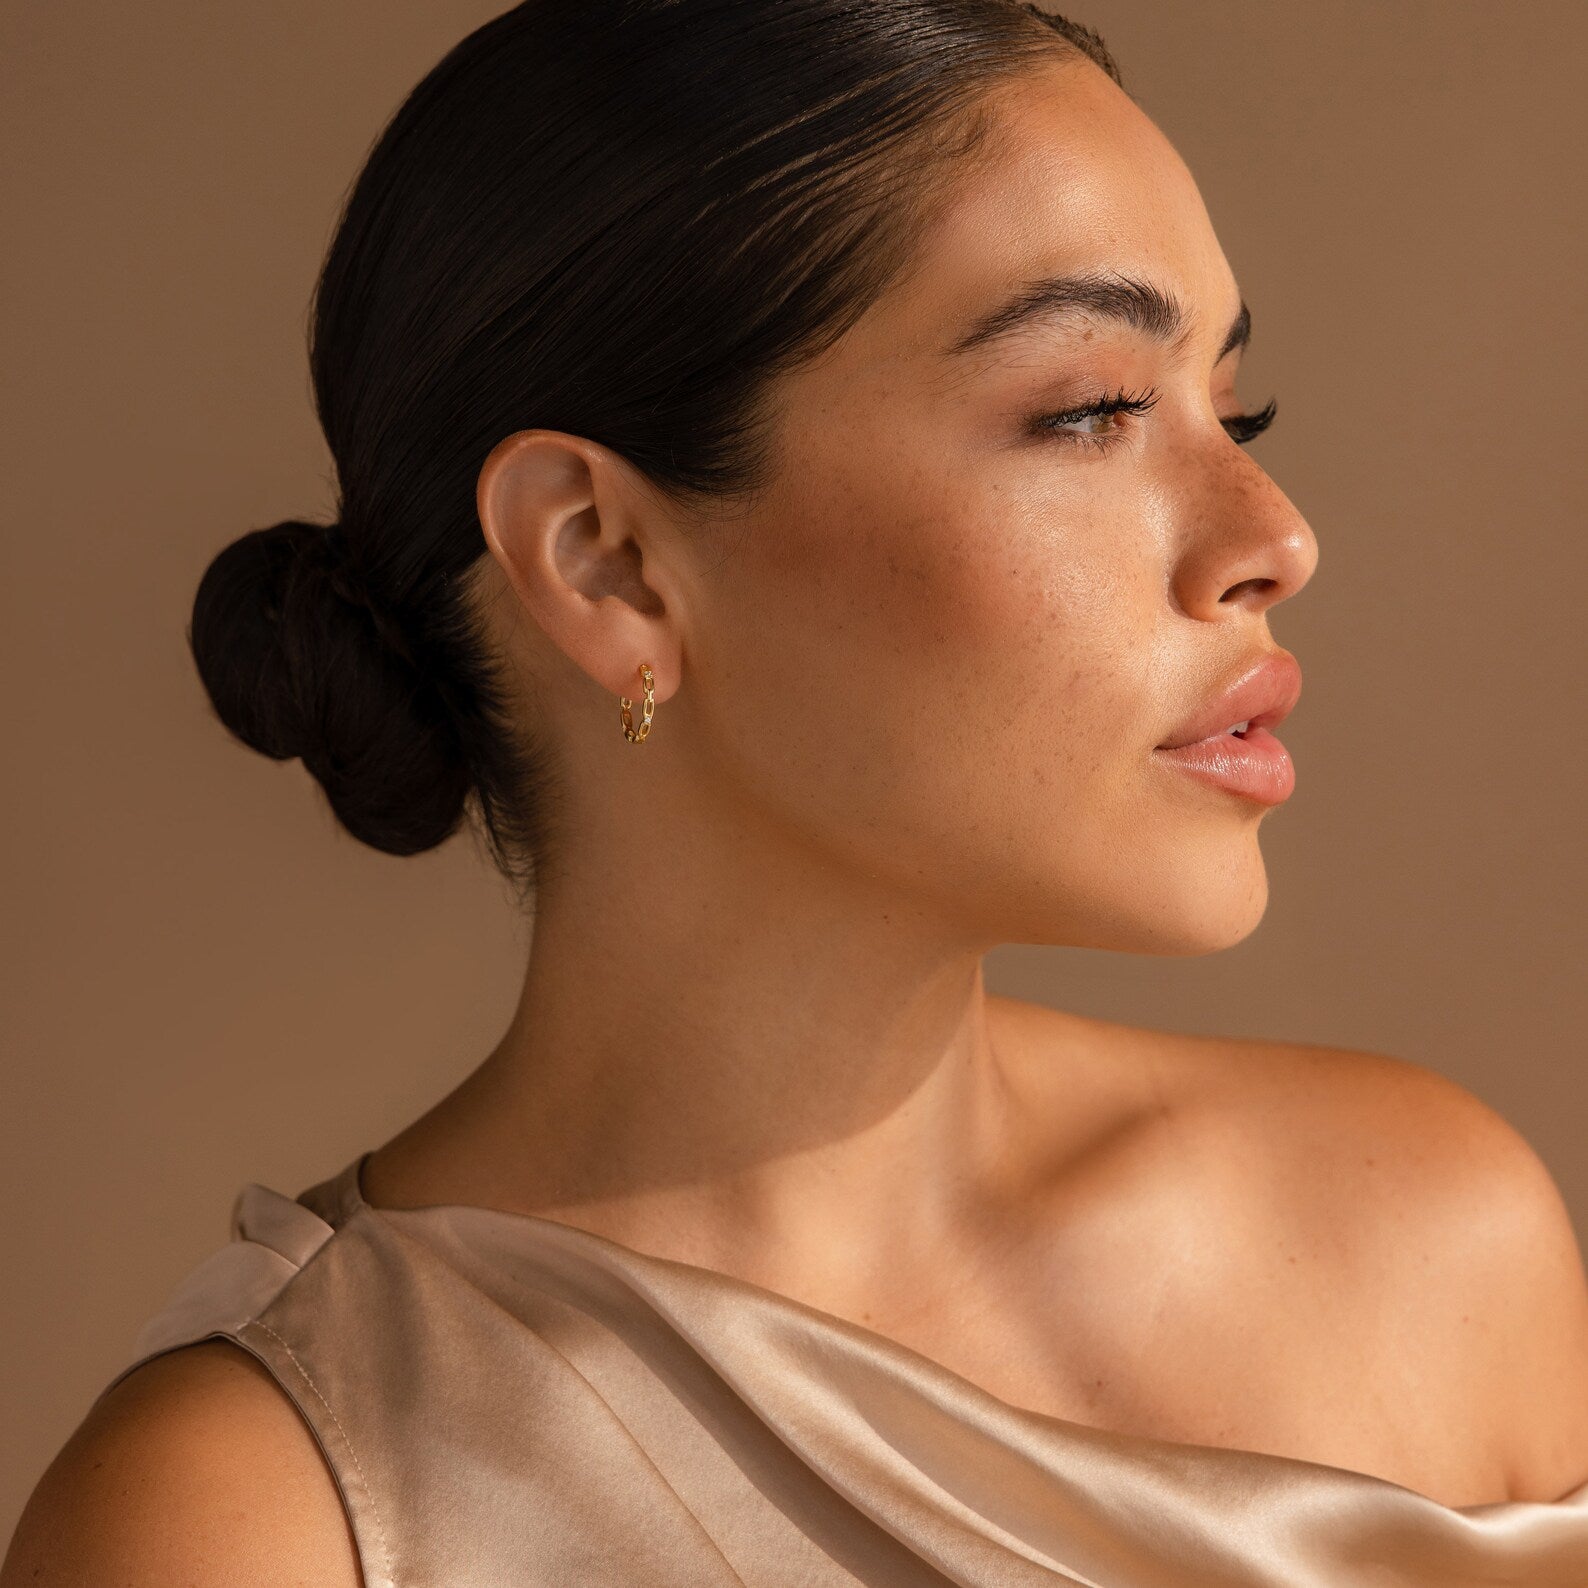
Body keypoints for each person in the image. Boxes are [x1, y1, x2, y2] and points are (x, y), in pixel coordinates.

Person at [7, 2, 1588, 1582]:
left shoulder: (1431, 1246)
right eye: (1090, 410)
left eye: (1230, 408)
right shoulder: (274, 1513)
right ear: (605, 560)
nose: (1274, 532)